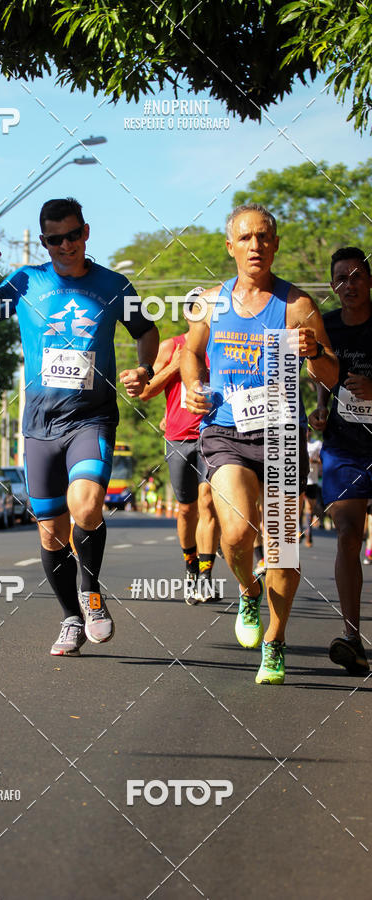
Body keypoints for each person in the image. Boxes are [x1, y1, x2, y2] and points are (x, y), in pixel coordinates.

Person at [0, 197, 158, 656]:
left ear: (86, 232)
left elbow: (147, 333)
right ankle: (70, 616)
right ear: (45, 241)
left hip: (91, 417)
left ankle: (92, 597)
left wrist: (144, 369)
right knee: (51, 531)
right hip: (38, 425)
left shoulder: (113, 285)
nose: (64, 246)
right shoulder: (27, 281)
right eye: (54, 239)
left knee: (86, 506)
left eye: (72, 235)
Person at [182, 203, 338, 684]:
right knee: (234, 534)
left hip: (283, 435)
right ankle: (248, 590)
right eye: (246, 238)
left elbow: (331, 374)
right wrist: (192, 382)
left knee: (284, 549)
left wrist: (314, 354)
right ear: (230, 247)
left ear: (275, 244)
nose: (256, 245)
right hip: (226, 429)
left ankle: (275, 638)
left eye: (264, 237)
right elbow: (190, 351)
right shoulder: (211, 302)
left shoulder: (298, 305)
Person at [309, 247, 372, 675]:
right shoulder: (326, 326)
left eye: (355, 277)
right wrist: (319, 407)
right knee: (349, 533)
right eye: (340, 279)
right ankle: (352, 638)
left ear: (368, 280)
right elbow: (320, 373)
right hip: (345, 445)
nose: (348, 285)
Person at [140, 287, 221, 603]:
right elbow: (146, 391)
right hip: (177, 437)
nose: (201, 312)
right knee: (186, 509)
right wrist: (177, 365)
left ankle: (206, 575)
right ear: (187, 313)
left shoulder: (225, 347)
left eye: (207, 307)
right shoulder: (170, 346)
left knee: (207, 502)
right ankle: (190, 567)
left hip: (213, 435)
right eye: (194, 307)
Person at [302, 427, 322, 547]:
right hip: (299, 479)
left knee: (309, 508)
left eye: (309, 430)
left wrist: (314, 461)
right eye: (305, 429)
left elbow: (323, 459)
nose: (307, 432)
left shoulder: (317, 444)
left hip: (312, 480)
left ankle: (309, 534)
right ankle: (299, 530)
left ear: (311, 432)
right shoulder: (296, 442)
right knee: (298, 508)